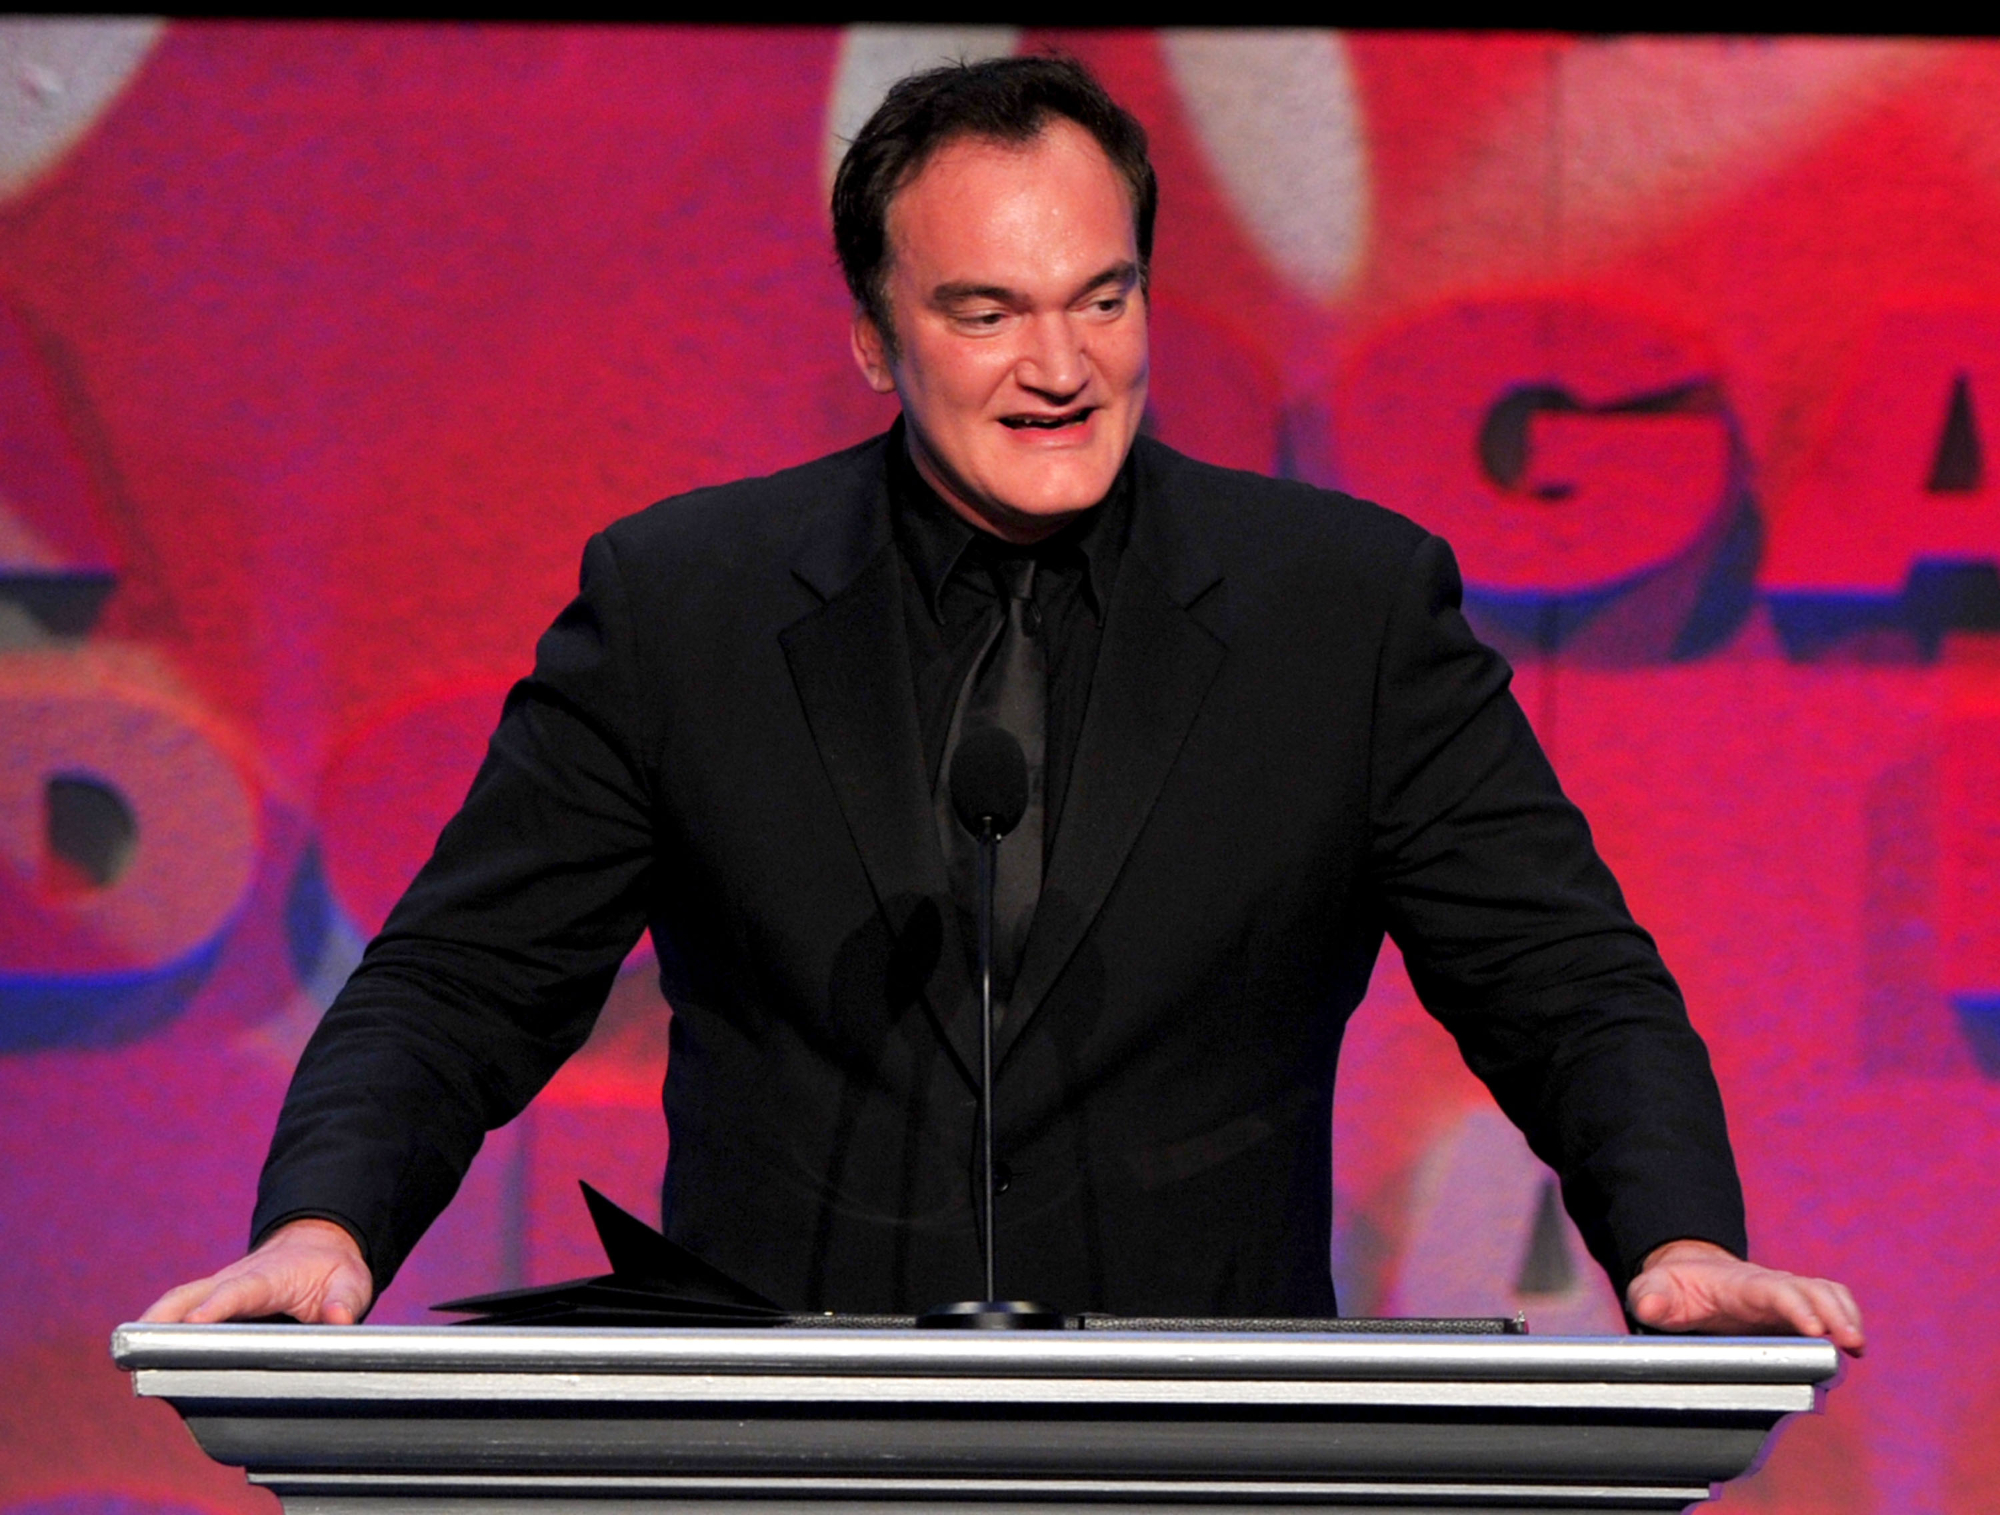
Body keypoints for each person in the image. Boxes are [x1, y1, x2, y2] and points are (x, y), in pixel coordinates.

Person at [145, 56, 1862, 1354]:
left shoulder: (1343, 608)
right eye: (987, 312)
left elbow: (1558, 976)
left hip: (1199, 1436)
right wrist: (324, 1227)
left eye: (1101, 299)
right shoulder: (686, 602)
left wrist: (1674, 1243)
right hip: (774, 1445)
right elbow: (466, 976)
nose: (1063, 367)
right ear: (877, 342)